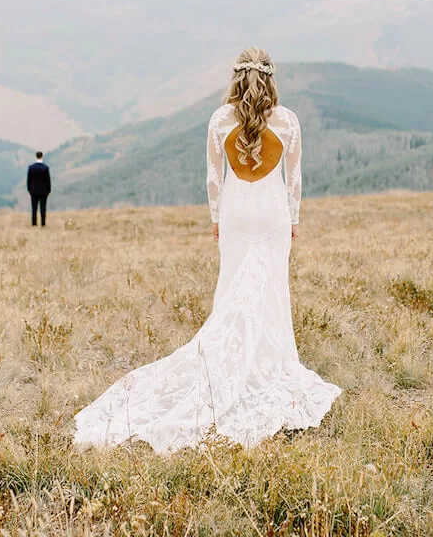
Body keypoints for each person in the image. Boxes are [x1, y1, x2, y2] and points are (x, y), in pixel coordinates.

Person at [73, 47, 341, 452]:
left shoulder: (220, 120)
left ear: (236, 77)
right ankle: (269, 364)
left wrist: (217, 217)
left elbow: (214, 178)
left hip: (236, 213)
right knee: (270, 288)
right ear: (270, 78)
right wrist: (294, 218)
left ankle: (229, 359)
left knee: (234, 286)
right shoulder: (288, 121)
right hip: (272, 213)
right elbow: (294, 177)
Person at [26, 151, 51, 227]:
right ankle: (43, 223)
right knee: (43, 208)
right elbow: (48, 180)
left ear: (36, 156)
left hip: (33, 191)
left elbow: (29, 180)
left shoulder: (31, 167)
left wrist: (29, 189)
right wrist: (49, 190)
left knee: (34, 208)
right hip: (43, 191)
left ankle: (34, 223)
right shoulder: (45, 168)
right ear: (42, 156)